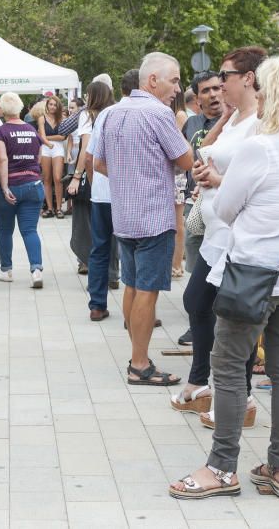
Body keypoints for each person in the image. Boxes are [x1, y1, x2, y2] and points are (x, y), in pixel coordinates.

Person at [170, 55, 279, 500]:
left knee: (227, 366)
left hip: (254, 273)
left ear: (273, 93)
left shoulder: (261, 147)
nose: (254, 92)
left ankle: (222, 466)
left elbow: (222, 209)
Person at [92, 53, 193, 386]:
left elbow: (99, 162)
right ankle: (139, 364)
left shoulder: (110, 113)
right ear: (152, 80)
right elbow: (186, 159)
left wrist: (128, 176)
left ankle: (138, 354)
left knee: (132, 286)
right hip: (154, 216)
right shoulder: (159, 113)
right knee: (147, 291)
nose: (177, 88)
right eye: (174, 80)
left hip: (124, 214)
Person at [179, 47, 267, 427]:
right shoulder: (235, 118)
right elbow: (203, 150)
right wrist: (223, 120)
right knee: (199, 303)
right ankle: (204, 383)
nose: (218, 86)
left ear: (247, 78)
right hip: (217, 230)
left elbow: (261, 178)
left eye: (225, 77)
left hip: (238, 235)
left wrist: (217, 180)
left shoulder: (260, 122)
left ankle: (239, 397)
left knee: (229, 314)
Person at [83, 70, 137, 316]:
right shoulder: (146, 114)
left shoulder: (105, 115)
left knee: (100, 249)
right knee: (134, 250)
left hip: (102, 194)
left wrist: (96, 186)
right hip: (130, 194)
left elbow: (90, 157)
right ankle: (138, 310)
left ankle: (97, 305)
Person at [176, 72, 223, 345]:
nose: (214, 95)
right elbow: (187, 155)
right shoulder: (192, 122)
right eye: (206, 90)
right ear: (197, 98)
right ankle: (199, 321)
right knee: (196, 258)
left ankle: (215, 320)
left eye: (218, 88)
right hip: (196, 200)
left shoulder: (233, 122)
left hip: (224, 202)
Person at [0, 92, 45, 288]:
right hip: (33, 184)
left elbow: (2, 159)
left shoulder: (1, 132)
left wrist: (5, 187)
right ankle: (37, 270)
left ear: (2, 111)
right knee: (30, 230)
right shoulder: (32, 130)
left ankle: (6, 270)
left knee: (5, 230)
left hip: (10, 185)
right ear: (21, 108)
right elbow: (38, 159)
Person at [68, 80, 115, 286]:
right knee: (114, 232)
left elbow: (87, 151)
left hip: (95, 177)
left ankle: (95, 283)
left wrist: (78, 177)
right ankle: (113, 273)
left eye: (88, 95)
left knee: (92, 229)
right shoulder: (116, 112)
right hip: (115, 179)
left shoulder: (88, 115)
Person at [170, 90, 190, 278]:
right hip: (171, 173)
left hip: (177, 174)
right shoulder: (171, 113)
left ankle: (177, 264)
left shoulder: (179, 115)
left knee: (177, 222)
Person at [37, 96, 67, 218]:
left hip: (58, 148)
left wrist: (46, 139)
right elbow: (42, 137)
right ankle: (50, 208)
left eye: (55, 105)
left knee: (58, 178)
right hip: (45, 149)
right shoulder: (41, 118)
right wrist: (47, 141)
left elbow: (63, 137)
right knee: (47, 179)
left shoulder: (62, 118)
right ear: (47, 105)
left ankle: (59, 208)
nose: (53, 107)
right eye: (51, 104)